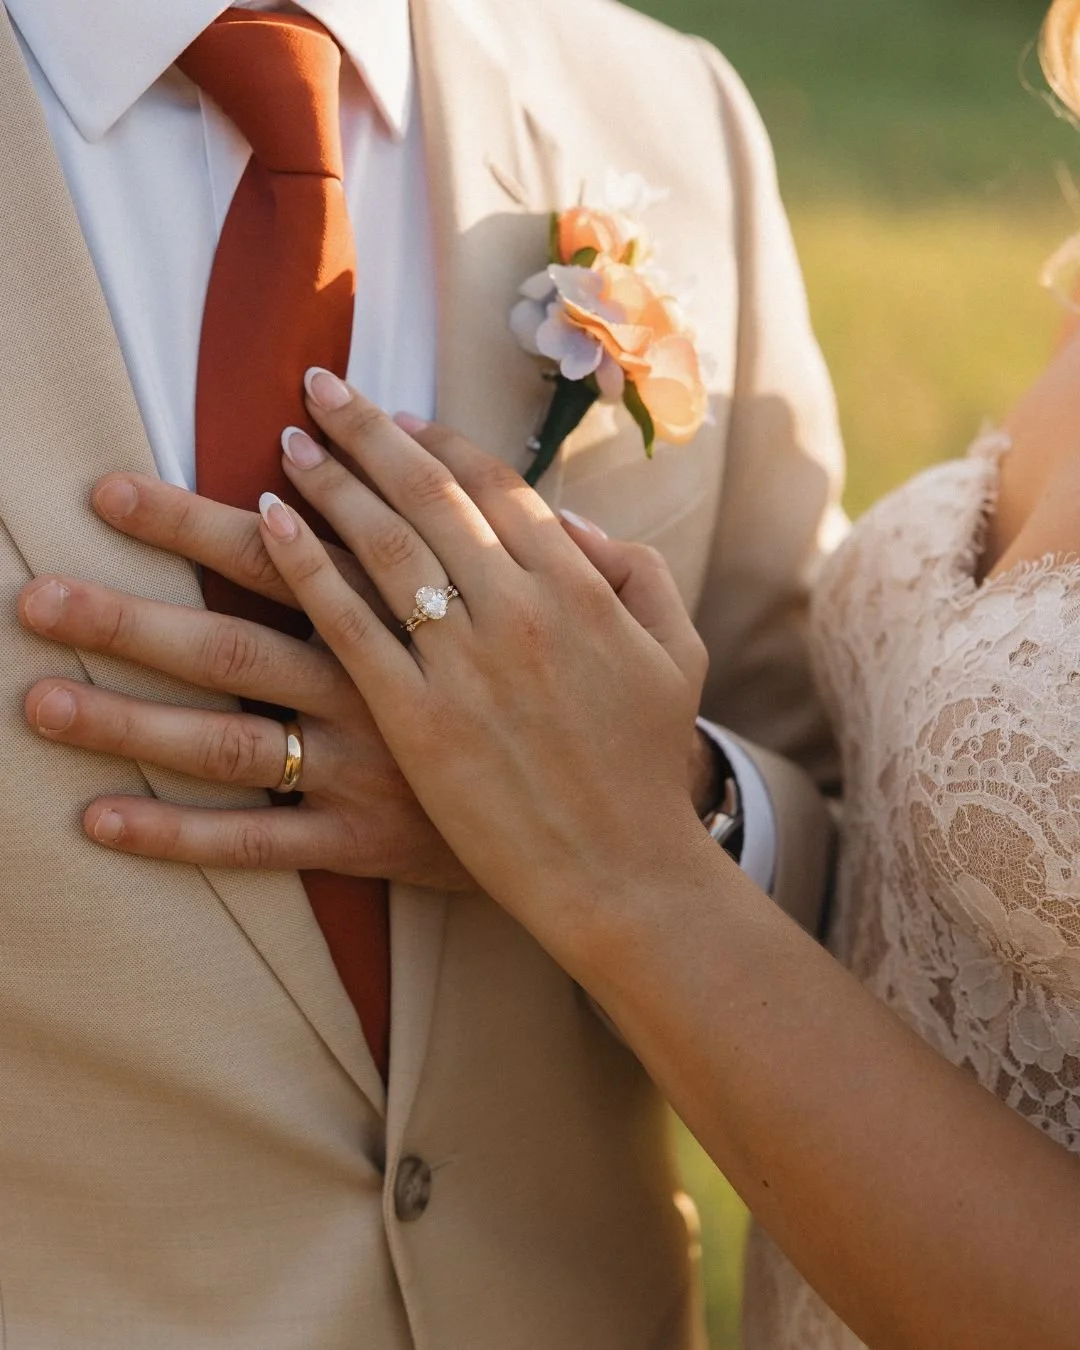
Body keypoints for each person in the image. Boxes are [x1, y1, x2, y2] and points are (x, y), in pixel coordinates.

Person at [26, 3, 1080, 1345]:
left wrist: (634, 817)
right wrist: (661, 801)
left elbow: (815, 776)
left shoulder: (672, 117)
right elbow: (907, 841)